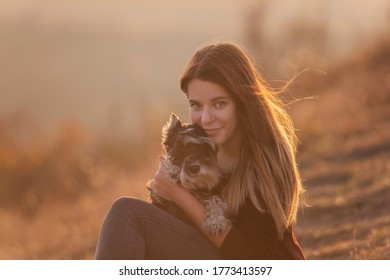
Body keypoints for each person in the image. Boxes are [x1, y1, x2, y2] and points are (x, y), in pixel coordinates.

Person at [94, 41, 306, 260]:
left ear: (242, 102)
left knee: (130, 214)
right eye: (196, 105)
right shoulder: (198, 150)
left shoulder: (266, 158)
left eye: (219, 104)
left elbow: (251, 257)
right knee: (128, 218)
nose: (205, 119)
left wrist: (179, 195)